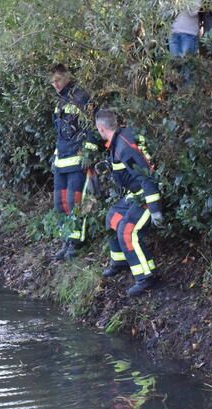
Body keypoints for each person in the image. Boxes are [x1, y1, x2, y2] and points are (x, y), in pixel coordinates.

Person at [94, 109, 162, 296]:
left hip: (147, 194)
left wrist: (155, 210)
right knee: (112, 218)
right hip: (136, 193)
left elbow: (147, 177)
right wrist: (108, 168)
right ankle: (121, 261)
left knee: (127, 232)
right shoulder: (120, 139)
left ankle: (147, 277)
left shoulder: (123, 146)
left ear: (101, 128)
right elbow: (127, 168)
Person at [49, 64, 101, 261]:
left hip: (78, 159)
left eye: (58, 80)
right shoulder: (60, 102)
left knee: (75, 202)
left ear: (67, 78)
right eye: (53, 82)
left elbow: (95, 125)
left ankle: (76, 243)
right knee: (60, 203)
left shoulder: (81, 97)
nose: (55, 85)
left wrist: (89, 150)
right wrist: (55, 155)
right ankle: (67, 240)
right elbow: (60, 131)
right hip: (62, 159)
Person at [168, 0, 202, 83]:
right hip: (173, 33)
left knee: (188, 70)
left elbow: (193, 12)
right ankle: (179, 94)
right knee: (177, 68)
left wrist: (180, 2)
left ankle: (188, 93)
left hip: (189, 34)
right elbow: (165, 12)